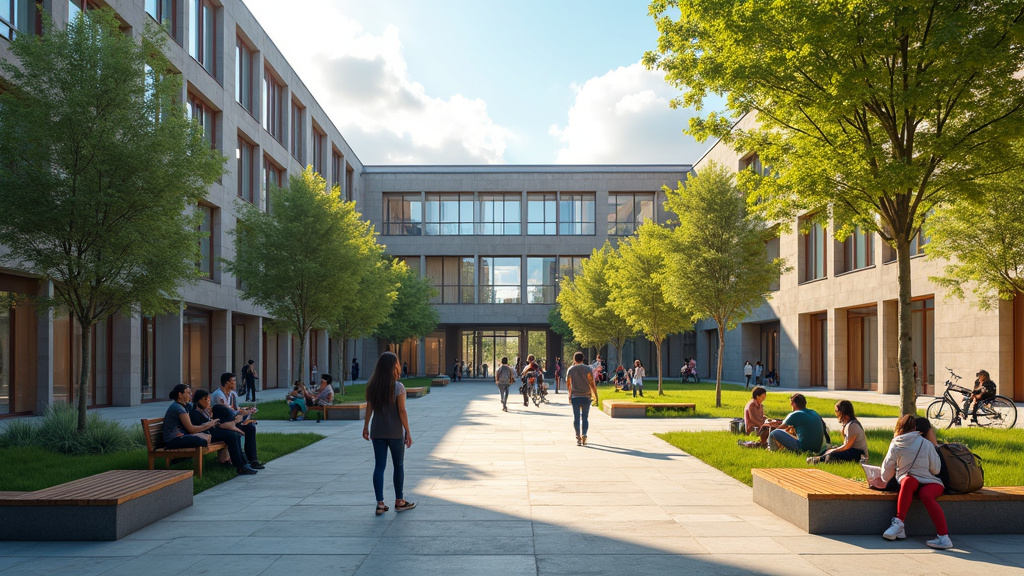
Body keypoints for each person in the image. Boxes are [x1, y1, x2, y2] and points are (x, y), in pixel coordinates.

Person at [877, 414, 951, 549]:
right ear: (914, 427)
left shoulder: (896, 444)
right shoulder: (926, 444)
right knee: (926, 495)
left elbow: (886, 473)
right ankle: (944, 536)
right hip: (932, 482)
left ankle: (899, 523)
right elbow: (935, 470)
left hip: (909, 481)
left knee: (907, 481)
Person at [362, 351, 415, 516]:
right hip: (395, 432)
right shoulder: (398, 387)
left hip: (377, 431)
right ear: (394, 366)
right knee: (398, 465)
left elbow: (369, 408)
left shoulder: (372, 386)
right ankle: (399, 501)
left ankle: (380, 503)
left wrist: (365, 427)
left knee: (379, 466)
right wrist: (408, 431)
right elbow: (402, 410)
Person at [190, 389, 257, 475]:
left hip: (213, 431)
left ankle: (243, 463)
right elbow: (199, 427)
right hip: (205, 435)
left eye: (209, 399)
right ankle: (240, 466)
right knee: (231, 436)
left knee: (235, 435)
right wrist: (211, 423)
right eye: (206, 399)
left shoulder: (205, 411)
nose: (208, 402)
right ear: (199, 401)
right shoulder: (194, 413)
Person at [210, 373, 264, 470]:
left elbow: (236, 409)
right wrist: (239, 415)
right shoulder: (218, 395)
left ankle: (253, 459)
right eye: (233, 380)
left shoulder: (233, 394)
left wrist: (245, 412)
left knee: (250, 427)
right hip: (224, 424)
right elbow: (226, 413)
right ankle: (242, 462)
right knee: (236, 433)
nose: (235, 382)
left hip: (234, 421)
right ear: (227, 383)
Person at [808, 400, 867, 464]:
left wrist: (834, 450)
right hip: (851, 450)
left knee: (832, 455)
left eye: (836, 411)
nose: (835, 413)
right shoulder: (848, 424)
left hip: (859, 454)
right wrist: (833, 449)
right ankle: (817, 458)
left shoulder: (853, 426)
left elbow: (847, 446)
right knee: (829, 450)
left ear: (842, 412)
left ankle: (818, 460)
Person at [163, 384, 217, 450]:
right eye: (188, 393)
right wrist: (208, 425)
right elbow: (191, 430)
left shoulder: (183, 406)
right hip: (173, 440)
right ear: (180, 395)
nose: (190, 395)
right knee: (201, 441)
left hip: (181, 436)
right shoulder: (178, 408)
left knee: (204, 436)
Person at [567, 351, 599, 446]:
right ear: (583, 359)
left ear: (574, 359)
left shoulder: (571, 369)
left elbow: (568, 383)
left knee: (576, 418)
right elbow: (592, 384)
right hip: (586, 396)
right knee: (585, 417)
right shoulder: (588, 369)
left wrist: (570, 394)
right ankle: (584, 434)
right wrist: (596, 395)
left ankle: (578, 437)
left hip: (575, 396)